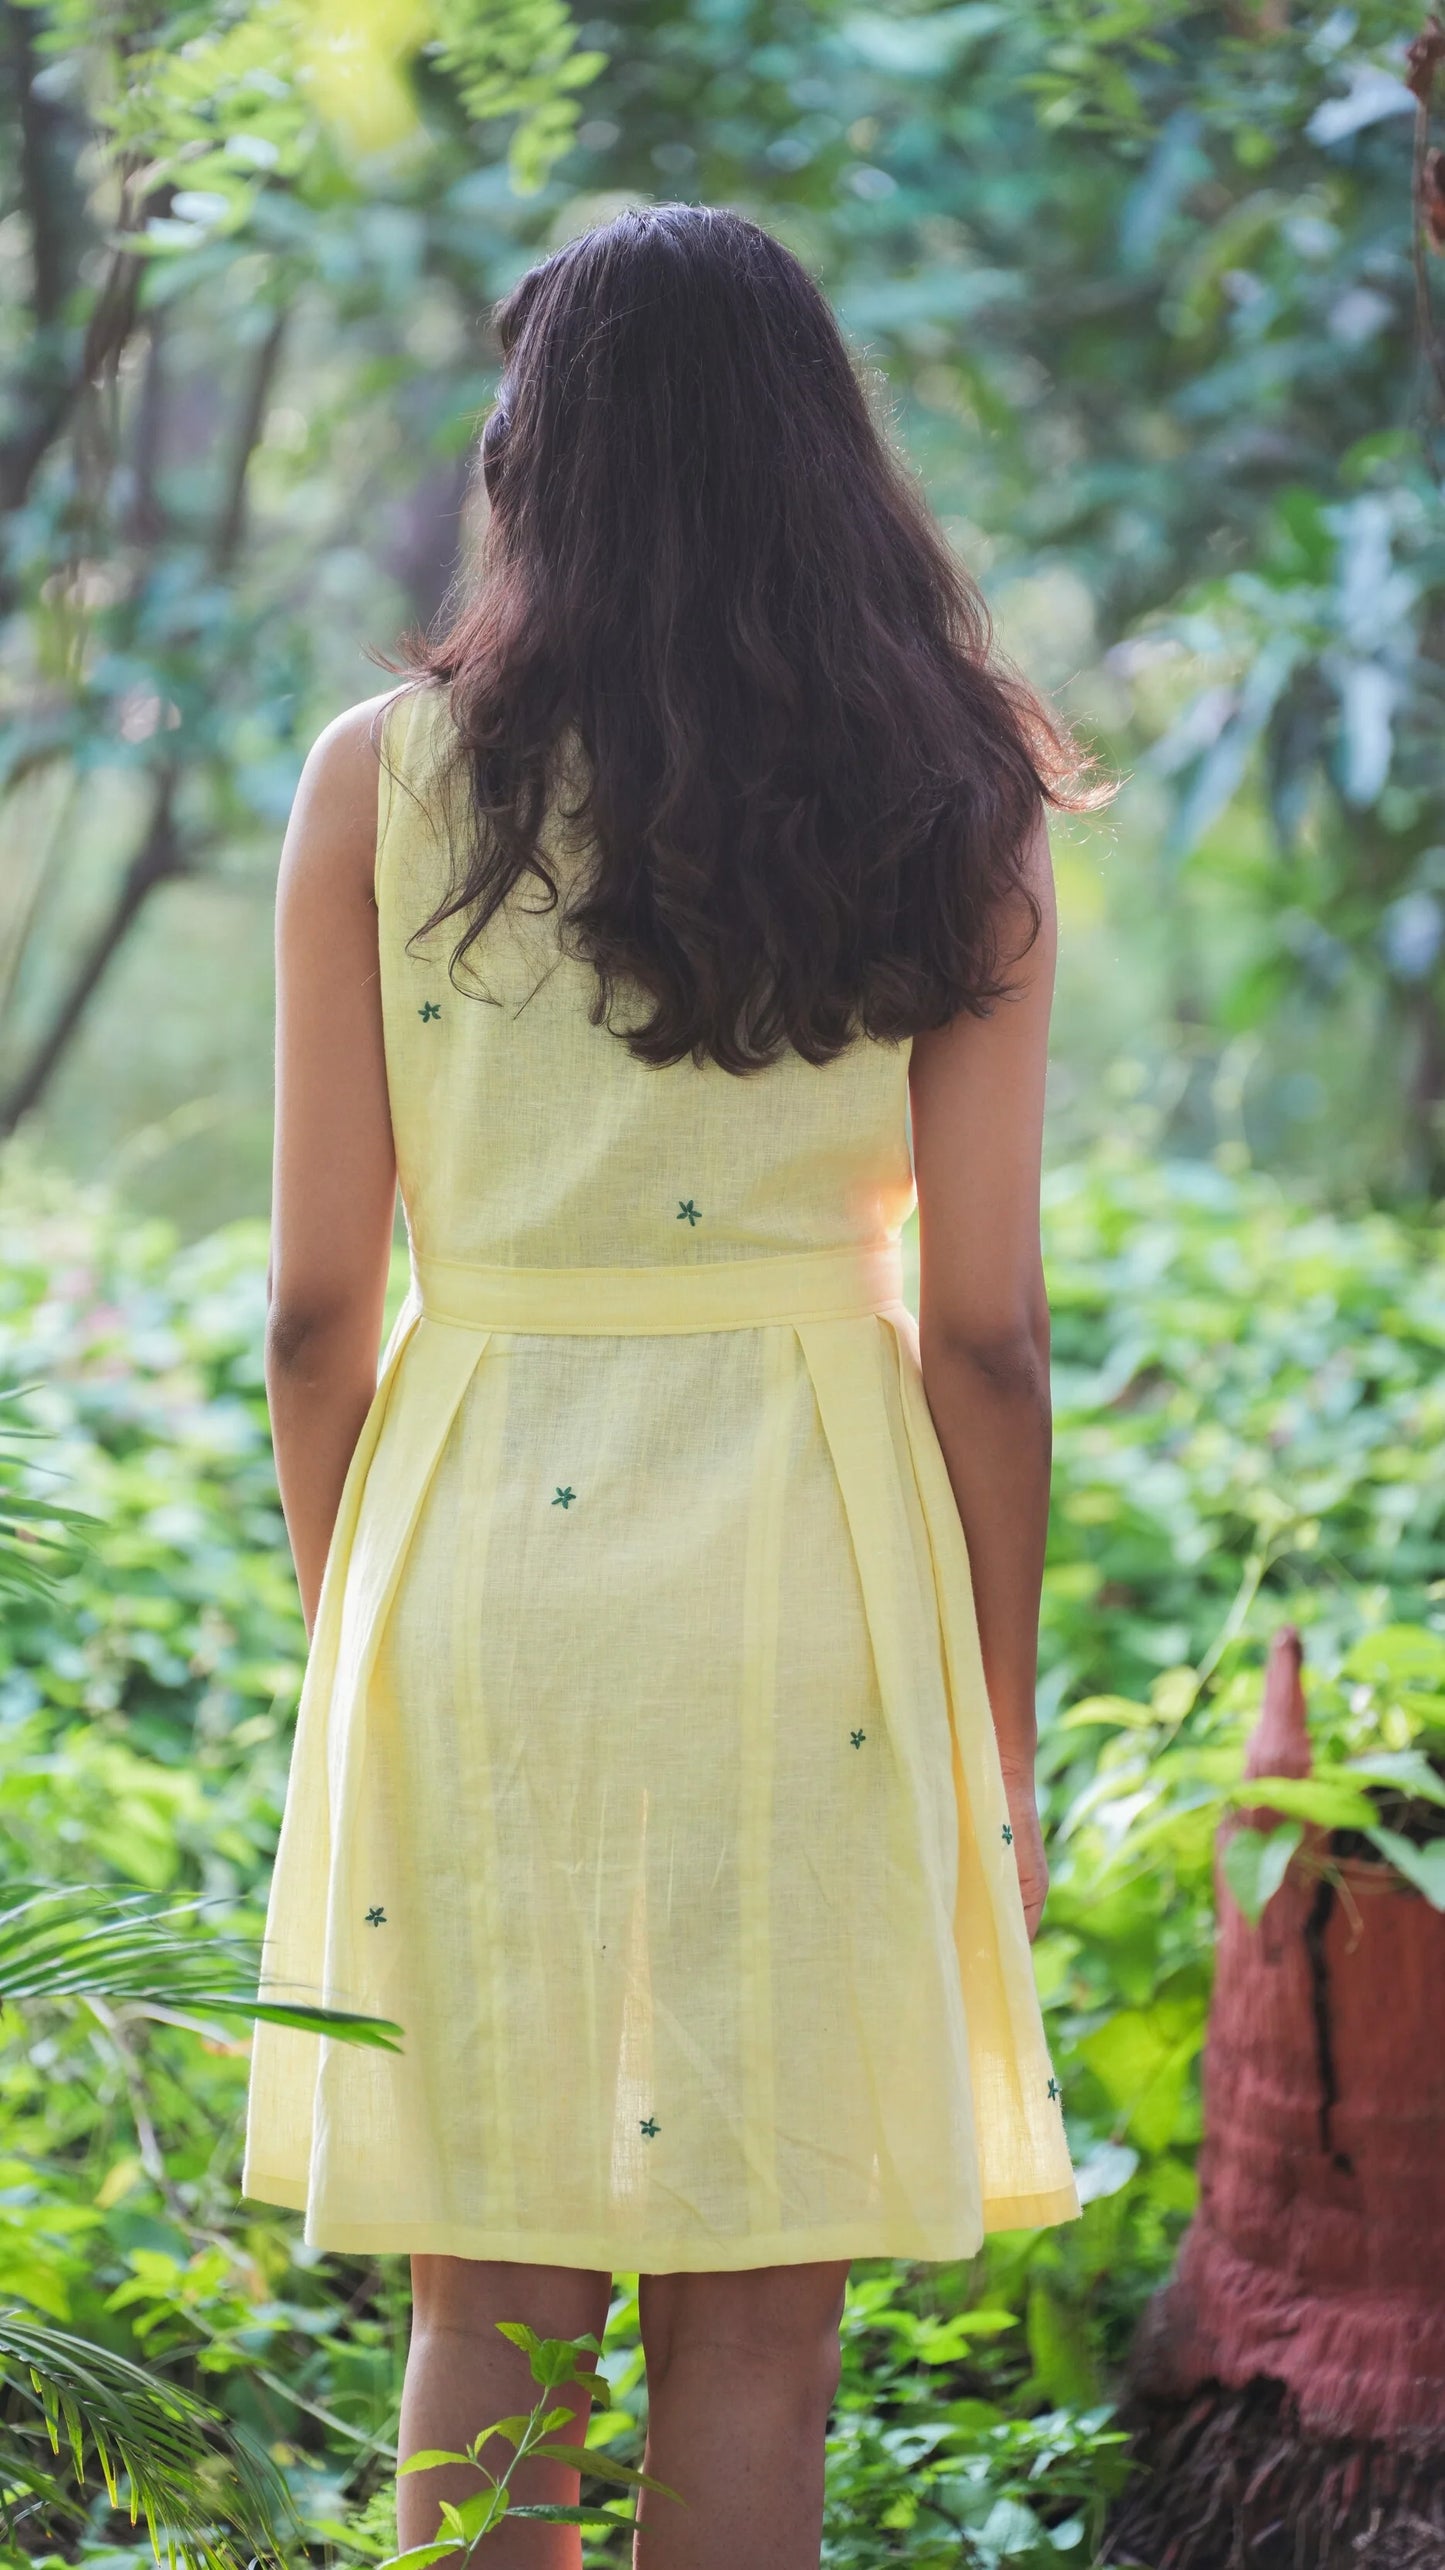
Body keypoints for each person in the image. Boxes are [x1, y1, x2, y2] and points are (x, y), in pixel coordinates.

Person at [243, 201, 1090, 2570]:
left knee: (490, 2304)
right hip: (814, 1562)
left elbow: (317, 1312)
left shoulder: (378, 781)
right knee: (759, 2333)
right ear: (829, 460)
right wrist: (992, 1718)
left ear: (539, 459)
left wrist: (356, 1627)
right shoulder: (968, 793)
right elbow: (989, 1336)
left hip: (483, 1544)